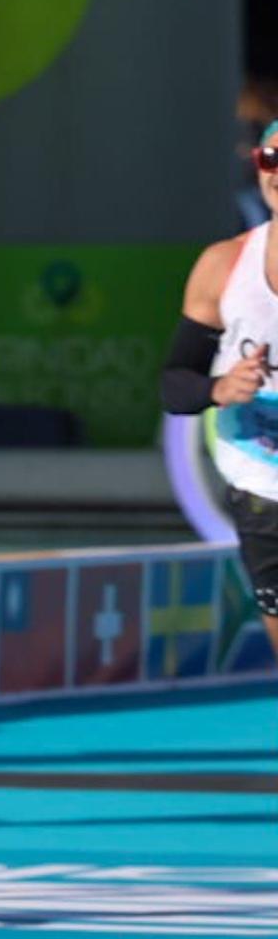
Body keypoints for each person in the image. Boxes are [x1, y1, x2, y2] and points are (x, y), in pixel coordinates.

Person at [161, 117, 278, 657]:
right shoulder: (224, 264)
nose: (276, 174)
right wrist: (220, 388)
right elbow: (174, 385)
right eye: (269, 160)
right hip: (262, 492)